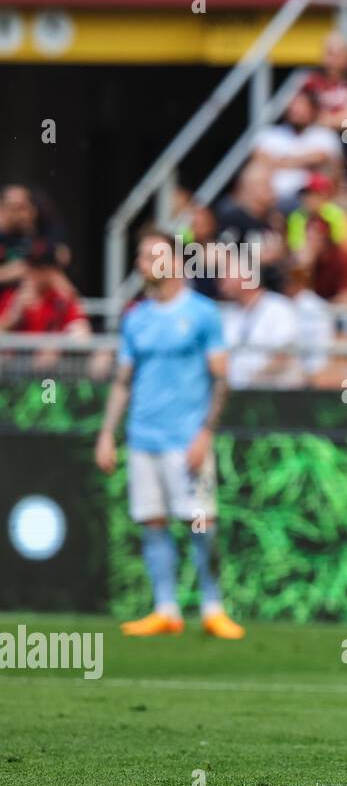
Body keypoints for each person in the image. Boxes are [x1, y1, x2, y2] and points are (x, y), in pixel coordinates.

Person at [94, 226, 244, 639]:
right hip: (144, 438)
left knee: (200, 524)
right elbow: (124, 381)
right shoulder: (135, 319)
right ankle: (166, 609)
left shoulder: (202, 314)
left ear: (175, 262)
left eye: (151, 255)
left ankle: (213, 607)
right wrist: (108, 433)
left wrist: (205, 434)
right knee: (152, 522)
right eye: (141, 256)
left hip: (186, 439)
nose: (143, 264)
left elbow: (221, 380)